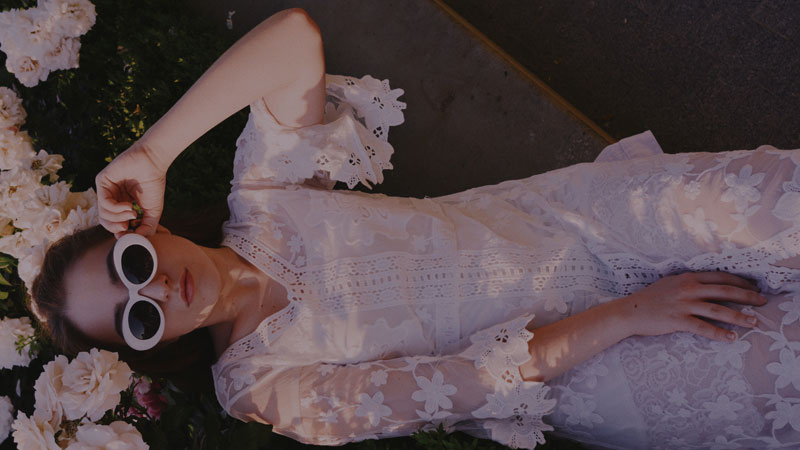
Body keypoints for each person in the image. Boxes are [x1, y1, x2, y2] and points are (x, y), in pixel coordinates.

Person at [30, 7, 800, 450]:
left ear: (149, 230)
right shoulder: (260, 388)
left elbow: (293, 38)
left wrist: (152, 152)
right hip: (585, 362)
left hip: (578, 224)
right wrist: (634, 315)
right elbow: (478, 381)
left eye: (132, 266)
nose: (158, 290)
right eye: (138, 319)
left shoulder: (267, 195)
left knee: (762, 206)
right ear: (156, 344)